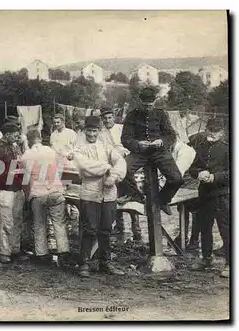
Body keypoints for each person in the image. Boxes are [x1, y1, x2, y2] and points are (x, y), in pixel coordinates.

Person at [74, 116, 127, 277]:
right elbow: (86, 168)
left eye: (94, 130)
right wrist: (106, 168)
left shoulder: (107, 147)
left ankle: (105, 262)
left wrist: (114, 176)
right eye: (89, 131)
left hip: (108, 194)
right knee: (89, 229)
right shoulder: (79, 149)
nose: (91, 134)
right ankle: (84, 263)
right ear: (84, 131)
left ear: (99, 131)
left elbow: (121, 162)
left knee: (106, 229)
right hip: (90, 193)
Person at [118, 86, 184, 216]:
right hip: (139, 153)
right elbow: (125, 138)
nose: (148, 107)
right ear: (139, 101)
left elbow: (171, 135)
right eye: (145, 105)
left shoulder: (161, 114)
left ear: (154, 102)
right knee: (122, 170)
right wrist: (137, 144)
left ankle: (162, 200)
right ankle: (134, 195)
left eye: (150, 105)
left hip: (159, 152)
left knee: (177, 179)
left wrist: (162, 141)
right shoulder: (132, 115)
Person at [21, 129, 70, 266]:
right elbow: (62, 167)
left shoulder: (26, 155)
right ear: (40, 138)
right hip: (55, 190)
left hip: (38, 193)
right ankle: (63, 253)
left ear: (29, 141)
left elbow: (26, 179)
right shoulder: (52, 151)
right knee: (59, 223)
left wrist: (27, 196)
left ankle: (42, 254)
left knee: (39, 224)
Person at [188, 118, 229, 278]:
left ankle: (230, 264)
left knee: (225, 229)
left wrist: (215, 177)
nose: (212, 134)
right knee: (204, 227)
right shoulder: (201, 147)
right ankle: (206, 258)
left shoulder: (227, 150)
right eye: (209, 130)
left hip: (222, 195)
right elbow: (192, 168)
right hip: (204, 194)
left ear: (222, 132)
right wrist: (198, 173)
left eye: (215, 131)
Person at [99, 106, 141, 242]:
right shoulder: (101, 133)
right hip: (111, 163)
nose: (107, 120)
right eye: (105, 118)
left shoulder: (120, 128)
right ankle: (119, 225)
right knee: (114, 195)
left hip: (125, 158)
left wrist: (125, 152)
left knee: (130, 197)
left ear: (113, 117)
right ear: (102, 119)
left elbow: (129, 143)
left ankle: (136, 227)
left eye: (110, 117)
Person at [0, 123, 26, 264]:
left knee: (17, 220)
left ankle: (15, 249)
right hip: (5, 190)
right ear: (7, 135)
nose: (17, 137)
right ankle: (5, 252)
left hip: (17, 188)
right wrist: (10, 174)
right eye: (15, 134)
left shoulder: (15, 147)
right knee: (6, 222)